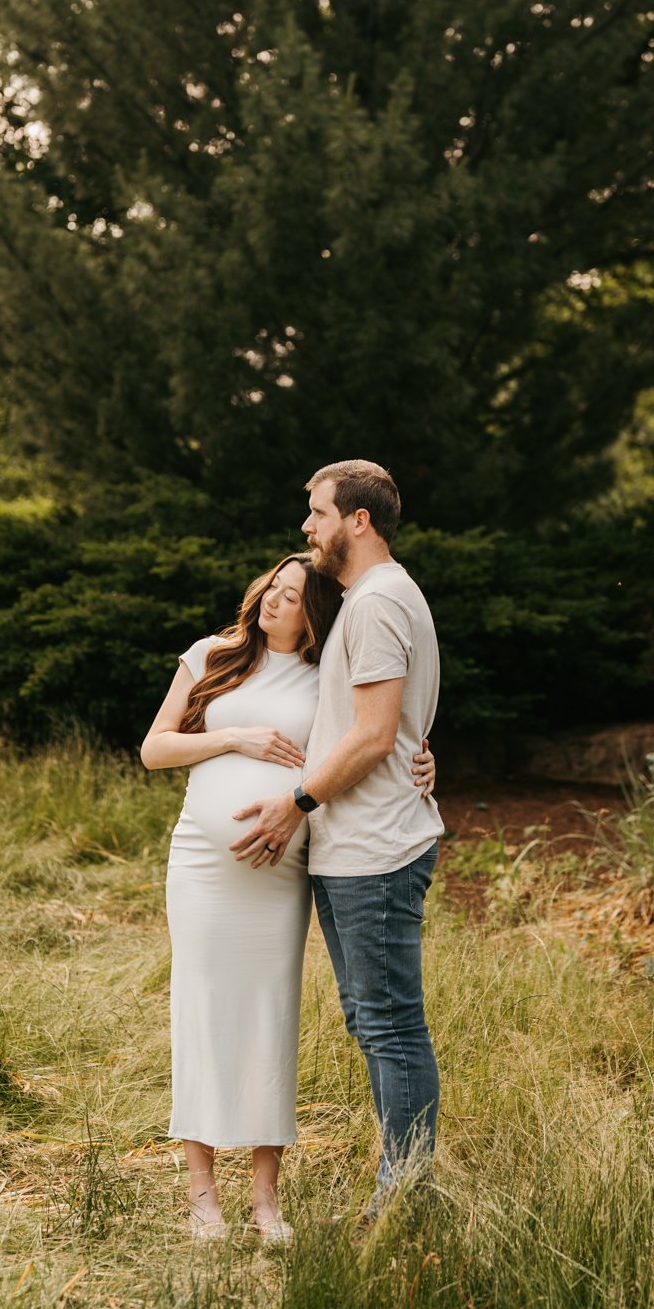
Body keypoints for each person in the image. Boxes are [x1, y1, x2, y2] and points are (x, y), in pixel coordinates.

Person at [141, 552, 435, 1242]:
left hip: (279, 871)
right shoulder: (213, 655)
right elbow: (155, 748)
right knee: (201, 1008)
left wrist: (422, 756)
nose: (274, 601)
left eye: (292, 596)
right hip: (201, 866)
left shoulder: (326, 673)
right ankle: (201, 1191)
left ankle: (266, 1200)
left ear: (316, 613)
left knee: (269, 1018)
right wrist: (232, 737)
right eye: (271, 587)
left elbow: (374, 731)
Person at [232, 461, 443, 1218]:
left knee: (389, 1023)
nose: (306, 528)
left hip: (377, 851)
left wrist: (295, 801)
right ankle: (402, 1183)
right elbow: (394, 728)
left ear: (357, 520)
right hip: (357, 846)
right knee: (372, 1019)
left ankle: (405, 1195)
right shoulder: (372, 601)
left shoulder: (380, 601)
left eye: (317, 513)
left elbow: (375, 734)